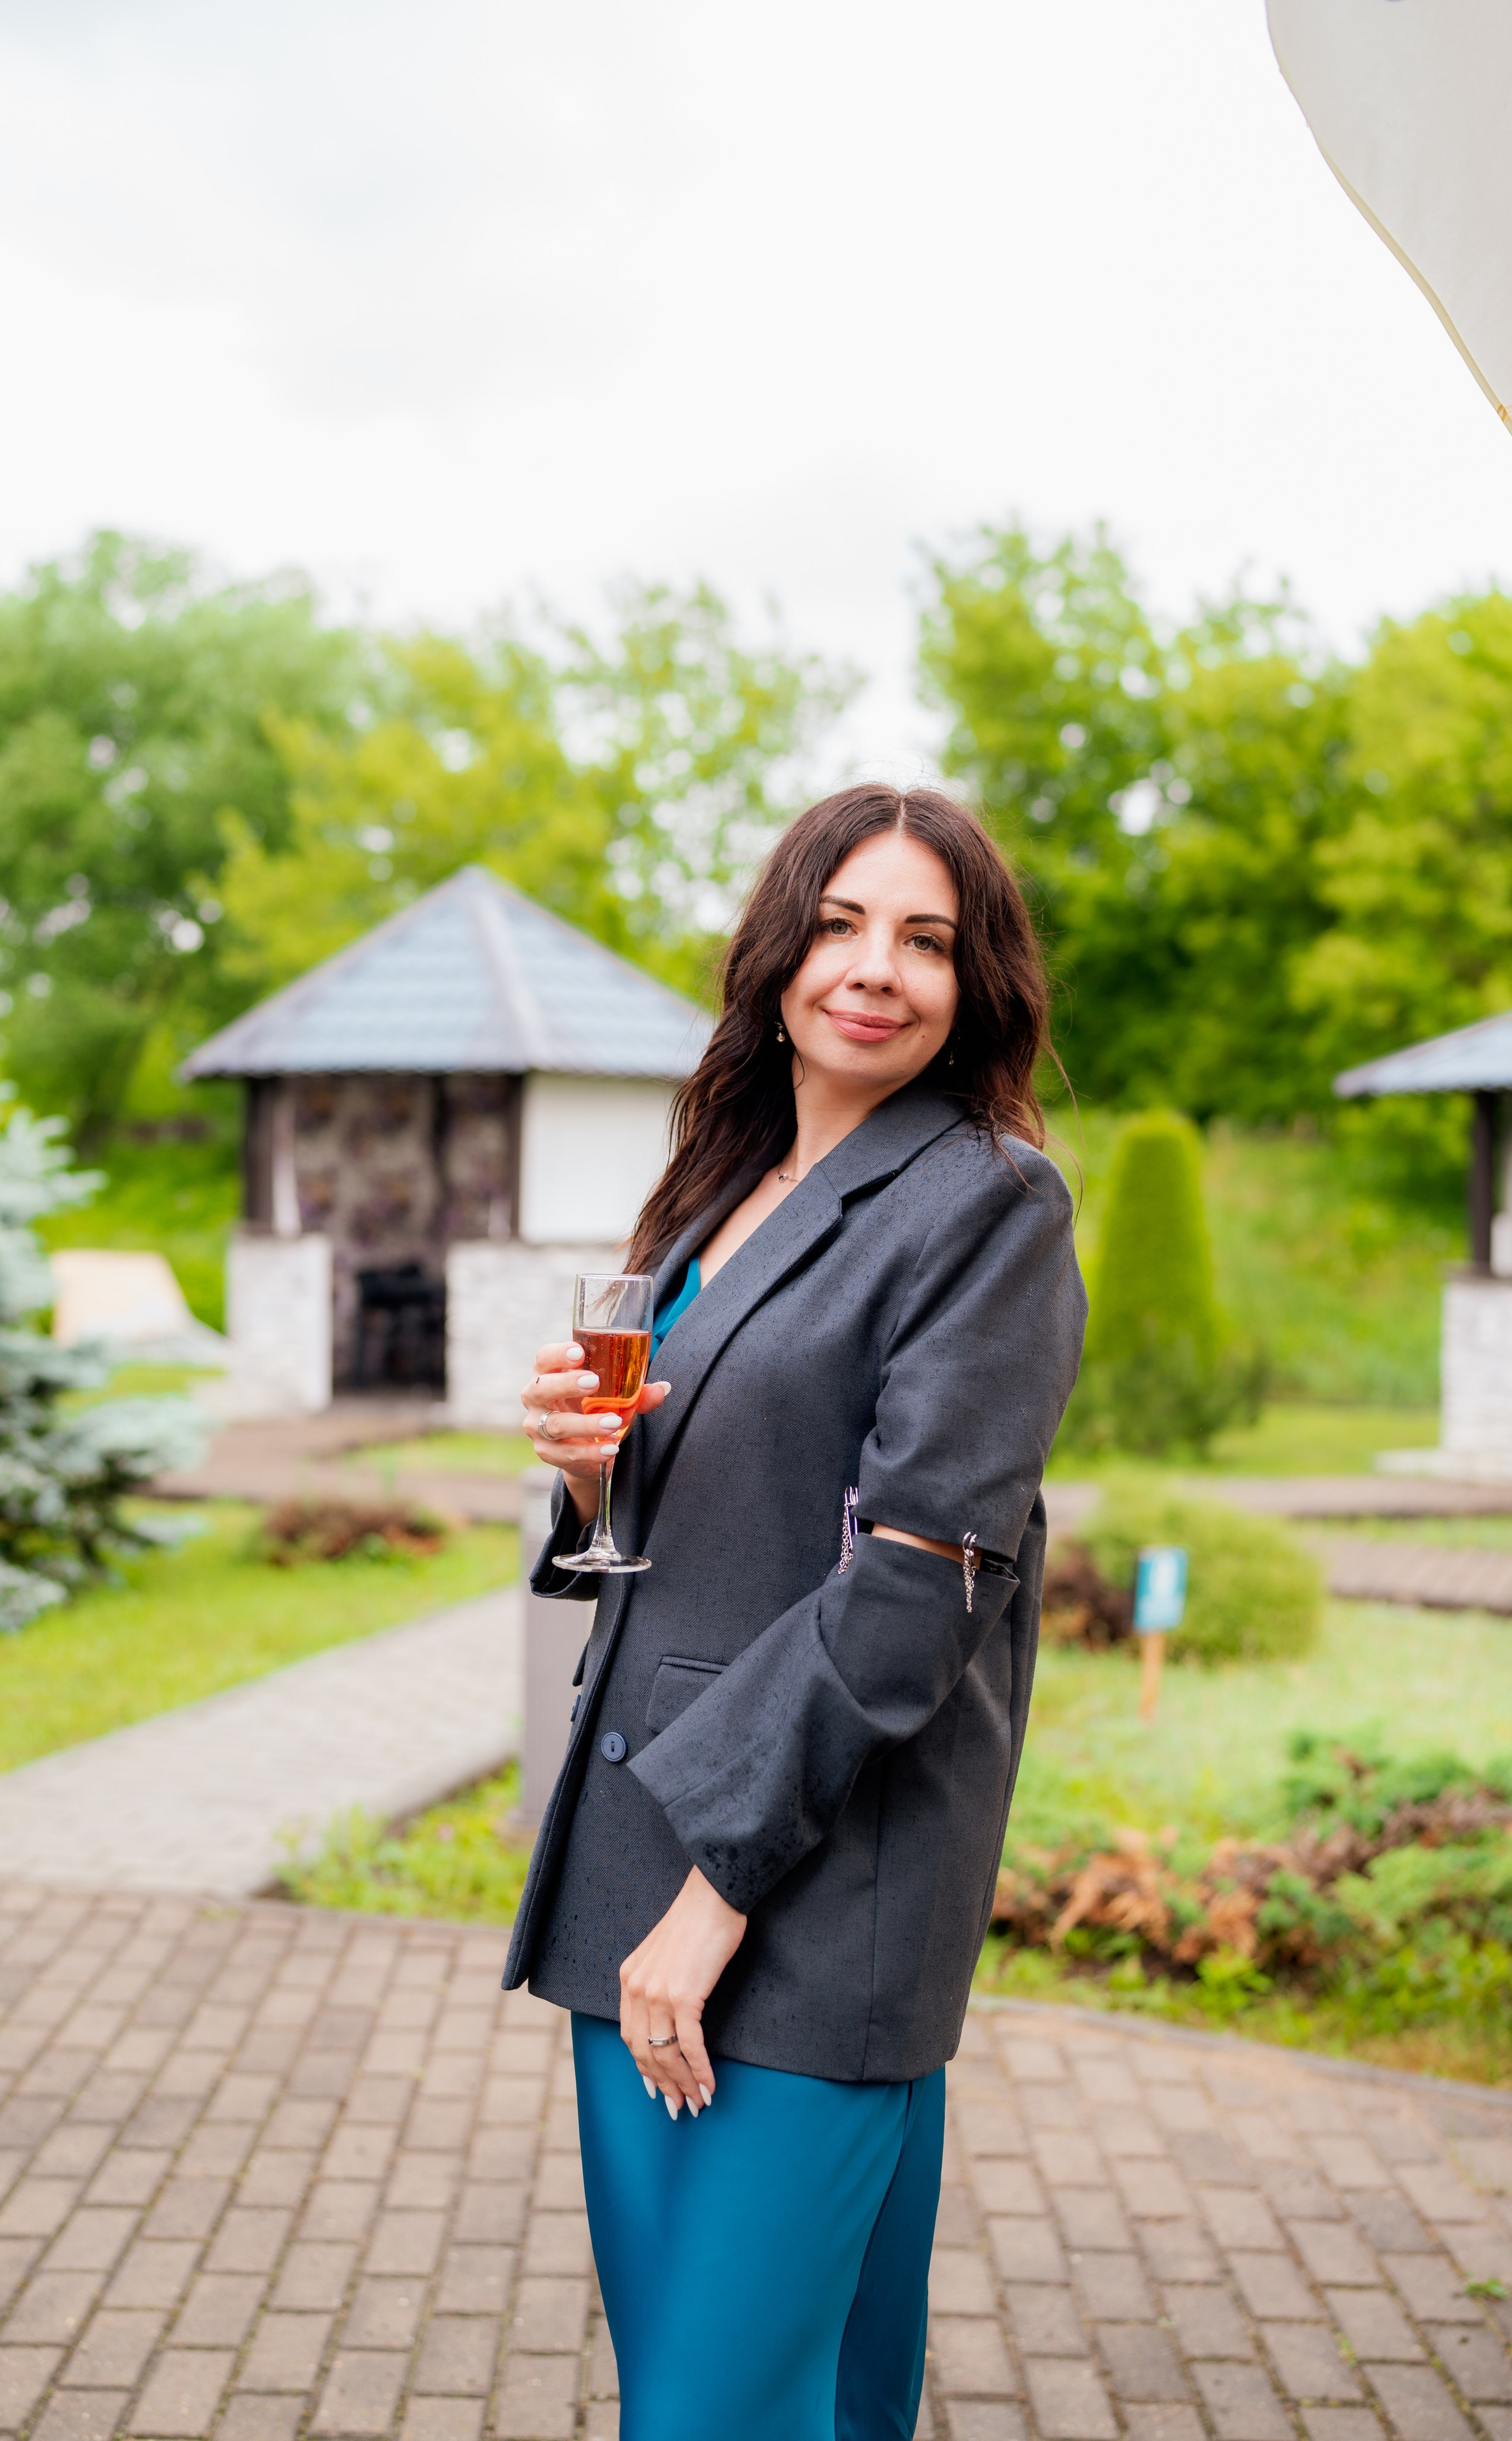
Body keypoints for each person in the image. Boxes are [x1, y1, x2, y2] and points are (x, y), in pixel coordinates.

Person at [507, 783, 1086, 2440]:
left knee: (712, 2415)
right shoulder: (724, 1187)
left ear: (977, 983)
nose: (875, 968)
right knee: (808, 2397)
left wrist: (714, 1901)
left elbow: (917, 1581)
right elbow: (693, 1510)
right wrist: (582, 1474)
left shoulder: (987, 1202)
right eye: (840, 923)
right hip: (640, 1862)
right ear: (778, 953)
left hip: (794, 1892)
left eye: (926, 938)